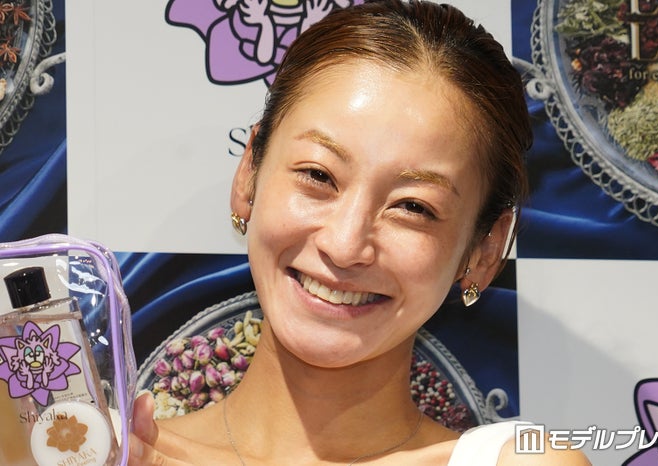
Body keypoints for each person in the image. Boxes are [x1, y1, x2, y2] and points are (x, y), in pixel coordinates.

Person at [128, 0, 591, 464]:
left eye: (413, 206)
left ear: (484, 251)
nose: (345, 245)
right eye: (318, 175)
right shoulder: (105, 452)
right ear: (250, 173)